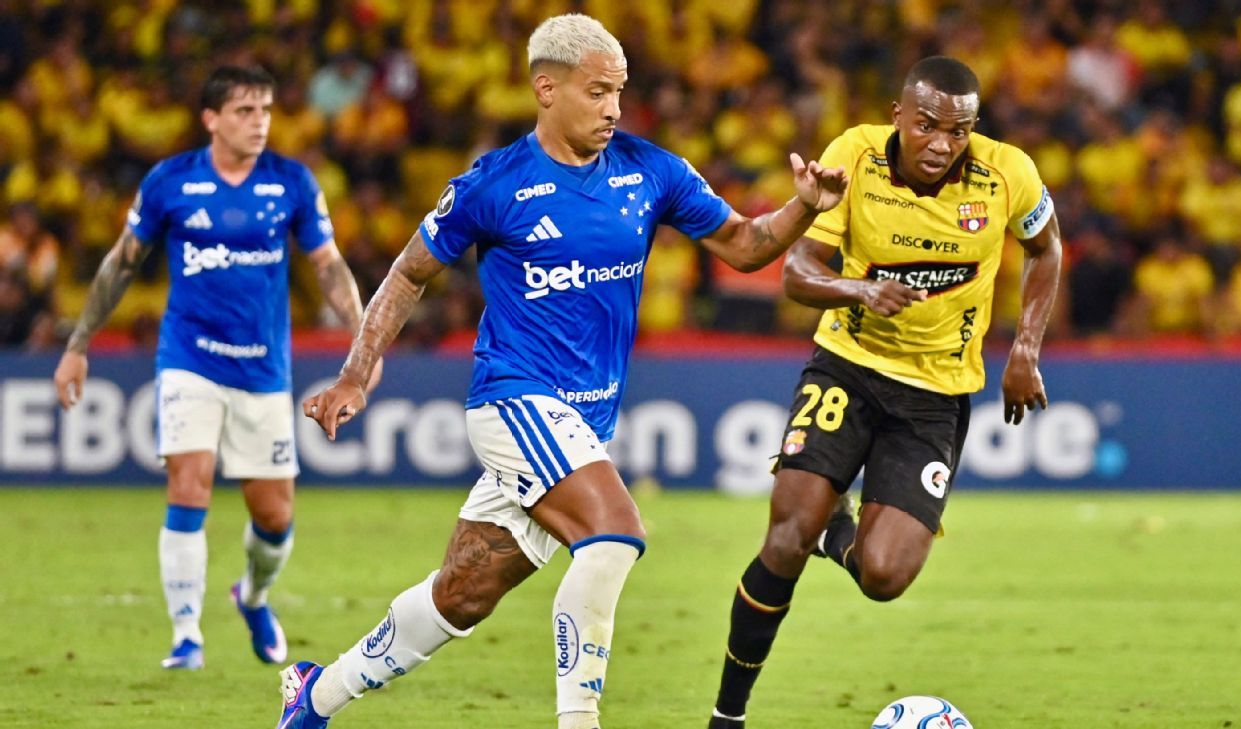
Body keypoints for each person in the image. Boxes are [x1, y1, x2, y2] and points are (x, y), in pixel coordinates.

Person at [276, 13, 846, 729]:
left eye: (620, 92)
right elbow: (409, 273)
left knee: (464, 592)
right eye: (597, 91)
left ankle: (315, 696)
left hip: (582, 424)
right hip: (514, 401)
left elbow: (745, 243)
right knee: (615, 533)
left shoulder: (652, 170)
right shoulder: (494, 183)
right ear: (547, 89)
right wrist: (357, 374)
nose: (614, 108)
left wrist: (803, 207)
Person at [706, 56, 1063, 729]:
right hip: (848, 365)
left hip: (935, 392)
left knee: (884, 576)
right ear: (898, 115)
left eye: (957, 131)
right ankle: (727, 716)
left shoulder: (1008, 172)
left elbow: (1046, 248)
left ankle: (833, 530)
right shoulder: (856, 155)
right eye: (926, 125)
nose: (940, 143)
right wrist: (860, 289)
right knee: (784, 538)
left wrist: (1025, 349)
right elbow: (797, 272)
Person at [52, 66, 376, 671]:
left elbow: (328, 266)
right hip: (189, 359)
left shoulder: (292, 181)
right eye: (245, 111)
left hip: (263, 369)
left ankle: (251, 596)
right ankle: (186, 637)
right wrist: (79, 343)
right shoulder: (170, 180)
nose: (260, 123)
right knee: (189, 483)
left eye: (266, 110)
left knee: (275, 517)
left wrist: (362, 344)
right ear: (211, 118)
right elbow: (123, 262)